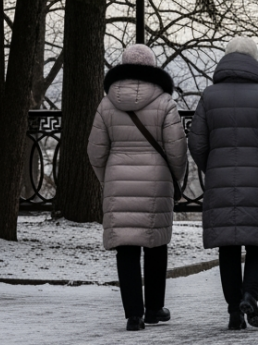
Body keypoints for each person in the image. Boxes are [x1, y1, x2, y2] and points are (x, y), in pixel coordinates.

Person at [188, 37, 258, 330]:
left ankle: (234, 312)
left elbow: (196, 141)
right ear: (255, 61)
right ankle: (250, 294)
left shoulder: (209, 96)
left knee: (228, 246)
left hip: (220, 177)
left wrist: (212, 166)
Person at [88, 44, 188, 331]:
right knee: (156, 243)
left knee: (126, 248)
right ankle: (154, 308)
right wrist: (174, 179)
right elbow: (177, 150)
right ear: (152, 68)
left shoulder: (107, 104)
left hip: (118, 178)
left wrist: (107, 180)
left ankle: (134, 314)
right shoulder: (165, 102)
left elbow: (95, 152)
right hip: (157, 180)